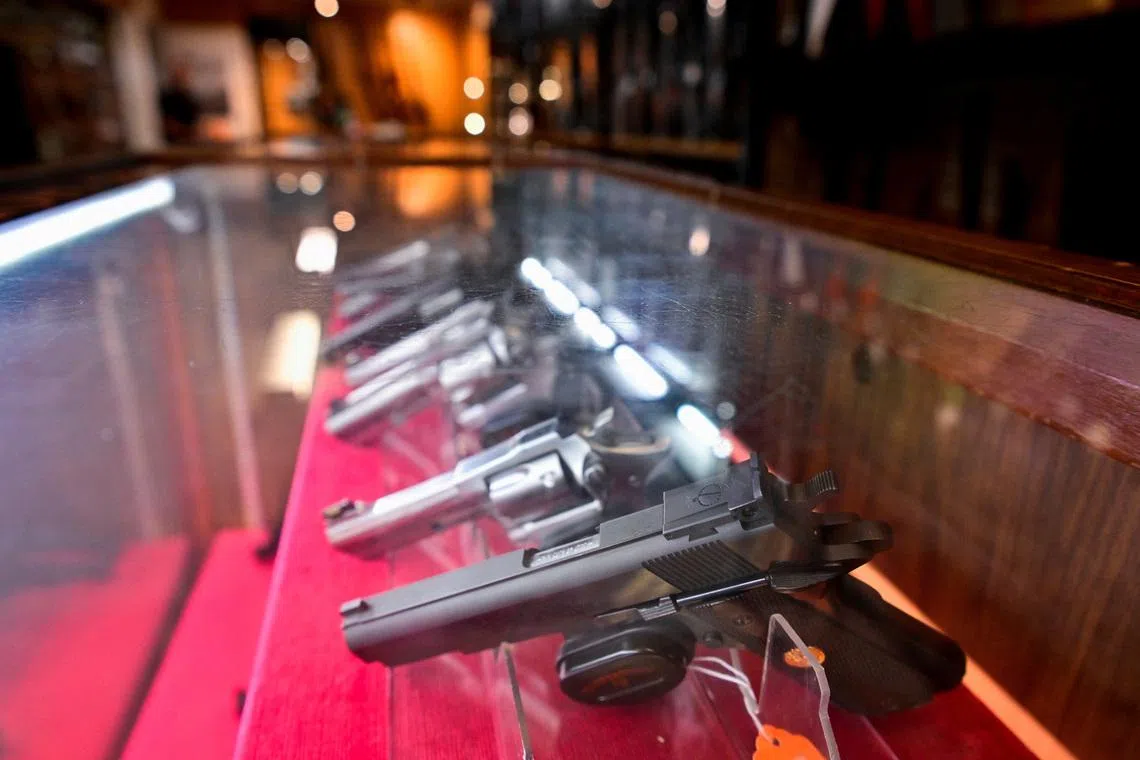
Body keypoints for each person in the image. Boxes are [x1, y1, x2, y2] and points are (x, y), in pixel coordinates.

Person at [160, 66, 202, 143]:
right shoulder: (167, 98)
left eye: (183, 76)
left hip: (187, 137)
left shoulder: (191, 99)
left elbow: (194, 121)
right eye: (178, 77)